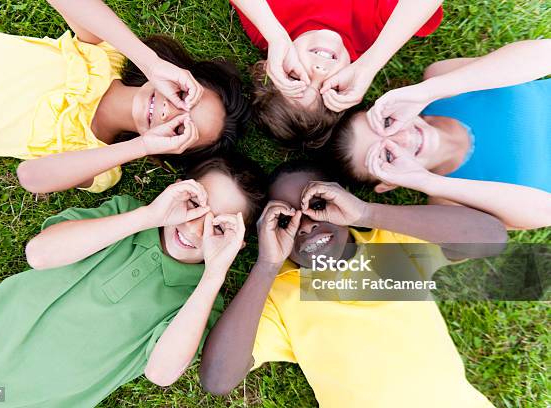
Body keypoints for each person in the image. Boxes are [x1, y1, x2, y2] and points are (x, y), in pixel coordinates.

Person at [0, 155, 265, 407]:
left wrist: (214, 273)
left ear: (237, 244)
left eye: (218, 228)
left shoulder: (199, 300)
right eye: (195, 205)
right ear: (179, 190)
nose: (196, 229)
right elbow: (40, 254)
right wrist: (149, 216)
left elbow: (161, 373)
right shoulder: (126, 214)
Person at [199, 160, 507, 407]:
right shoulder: (279, 293)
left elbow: (493, 238)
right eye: (285, 221)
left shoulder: (393, 241)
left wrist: (366, 212)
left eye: (317, 204)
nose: (305, 225)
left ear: (340, 198)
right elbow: (217, 379)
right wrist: (267, 265)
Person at [0, 0, 248, 193]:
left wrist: (143, 146)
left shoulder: (101, 165)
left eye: (181, 128)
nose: (171, 112)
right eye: (185, 97)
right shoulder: (104, 55)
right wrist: (151, 63)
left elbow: (30, 176)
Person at [330, 39, 551, 230]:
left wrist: (426, 92)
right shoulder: (447, 205)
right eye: (386, 156)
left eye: (388, 124)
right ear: (388, 184)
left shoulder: (439, 82)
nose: (403, 138)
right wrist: (428, 182)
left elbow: (545, 53)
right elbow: (546, 212)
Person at [230, 0, 443, 148]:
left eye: (296, 77)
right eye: (326, 90)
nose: (319, 71)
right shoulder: (376, 34)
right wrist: (370, 64)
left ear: (272, 67)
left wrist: (275, 35)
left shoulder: (270, 30)